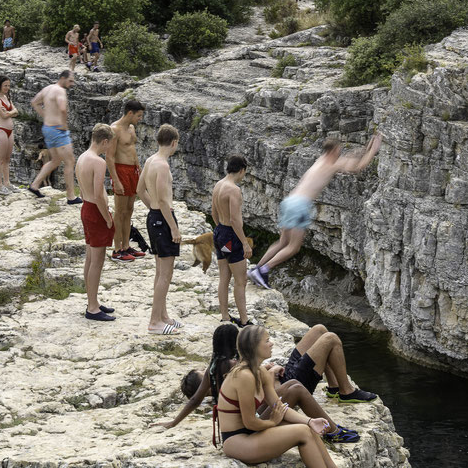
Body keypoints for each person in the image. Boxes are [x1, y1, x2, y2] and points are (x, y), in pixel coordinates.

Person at [155, 324, 360, 443]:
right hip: (273, 396)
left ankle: (334, 401)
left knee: (319, 330)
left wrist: (173, 422)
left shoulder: (215, 370)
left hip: (276, 386)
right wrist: (271, 372)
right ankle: (333, 427)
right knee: (325, 342)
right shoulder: (232, 368)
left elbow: (193, 401)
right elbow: (260, 396)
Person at [248, 135, 382, 290]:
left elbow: (350, 158)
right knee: (293, 247)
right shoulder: (333, 164)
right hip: (300, 205)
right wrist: (373, 150)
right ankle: (263, 271)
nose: (340, 152)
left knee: (283, 241)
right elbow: (358, 166)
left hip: (289, 201)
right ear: (334, 151)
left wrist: (366, 148)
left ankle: (255, 269)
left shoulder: (321, 160)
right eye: (339, 150)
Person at [216, 326, 337, 467]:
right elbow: (250, 422)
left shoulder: (260, 371)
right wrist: (272, 422)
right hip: (237, 441)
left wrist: (310, 421)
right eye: (267, 341)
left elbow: (279, 407)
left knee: (307, 427)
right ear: (254, 347)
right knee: (302, 432)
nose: (271, 343)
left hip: (251, 433)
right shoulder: (244, 376)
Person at [137, 124, 184, 335]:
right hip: (163, 219)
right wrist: (173, 228)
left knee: (160, 271)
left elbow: (140, 190)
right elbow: (165, 200)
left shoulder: (149, 161)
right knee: (165, 274)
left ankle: (163, 315)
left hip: (153, 217)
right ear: (173, 143)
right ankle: (155, 321)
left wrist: (152, 209)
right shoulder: (163, 165)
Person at [76, 123, 117, 321]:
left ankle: (92, 300)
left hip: (86, 208)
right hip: (96, 211)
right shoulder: (98, 162)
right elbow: (99, 194)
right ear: (105, 141)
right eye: (110, 145)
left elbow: (83, 191)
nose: (109, 149)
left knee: (90, 259)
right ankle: (92, 308)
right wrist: (108, 218)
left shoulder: (82, 158)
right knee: (97, 262)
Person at [282, 324, 377, 403]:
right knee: (331, 339)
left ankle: (334, 387)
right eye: (267, 341)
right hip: (292, 385)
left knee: (319, 330)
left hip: (285, 375)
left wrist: (271, 368)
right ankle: (347, 392)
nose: (271, 344)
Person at [212, 155, 253, 327]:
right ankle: (244, 321)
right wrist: (244, 243)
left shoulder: (218, 185)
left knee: (223, 276)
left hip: (219, 231)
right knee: (240, 280)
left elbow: (213, 212)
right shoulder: (233, 190)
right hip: (231, 235)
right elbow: (235, 220)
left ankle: (225, 316)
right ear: (242, 170)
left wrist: (221, 232)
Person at [28, 70, 80, 204]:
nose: (71, 84)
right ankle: (71, 196)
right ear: (62, 78)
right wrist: (63, 124)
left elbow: (34, 102)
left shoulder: (47, 89)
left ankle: (34, 185)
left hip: (47, 128)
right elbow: (63, 109)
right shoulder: (60, 91)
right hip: (58, 130)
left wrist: (45, 116)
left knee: (55, 160)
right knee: (70, 161)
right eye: (70, 81)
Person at [107, 99, 146, 262]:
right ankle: (117, 249)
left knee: (129, 210)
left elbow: (132, 150)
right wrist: (117, 180)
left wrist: (140, 170)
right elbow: (109, 157)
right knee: (120, 211)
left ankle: (126, 245)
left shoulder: (131, 128)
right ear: (130, 113)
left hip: (133, 171)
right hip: (121, 170)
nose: (140, 119)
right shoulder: (114, 129)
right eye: (138, 115)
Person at [0, 75, 19, 195]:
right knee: (0, 159)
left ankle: (7, 183)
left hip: (9, 131)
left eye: (8, 85)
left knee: (7, 159)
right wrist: (11, 112)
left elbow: (16, 112)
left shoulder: (7, 97)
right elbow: (4, 116)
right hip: (1, 130)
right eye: (5, 85)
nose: (7, 87)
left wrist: (10, 112)